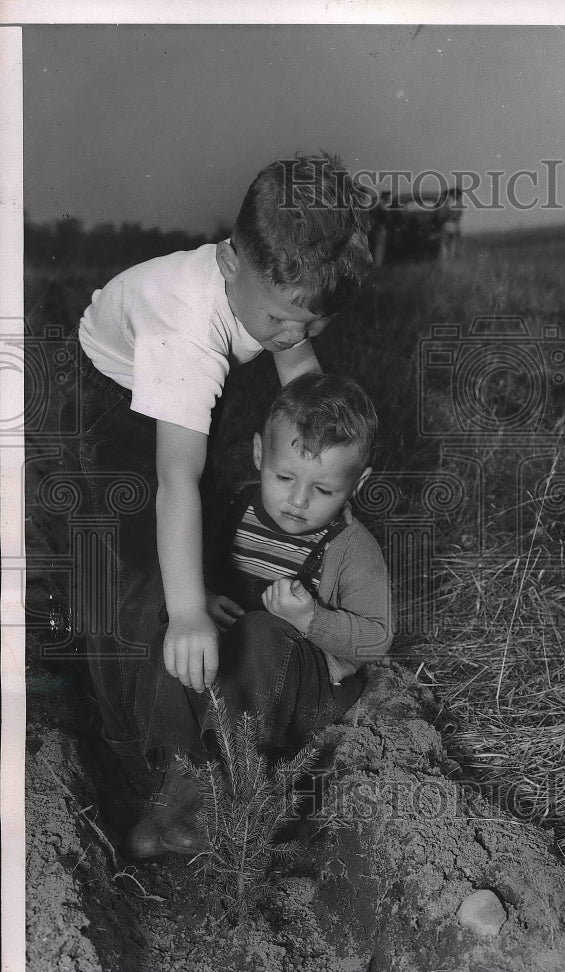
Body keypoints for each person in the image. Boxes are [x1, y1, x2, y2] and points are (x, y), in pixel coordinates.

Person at [59, 153, 373, 786]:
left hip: (160, 383)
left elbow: (303, 383)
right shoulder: (187, 333)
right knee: (132, 563)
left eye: (315, 318)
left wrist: (333, 462)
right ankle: (141, 747)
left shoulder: (267, 293)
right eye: (282, 319)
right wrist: (188, 612)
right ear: (231, 263)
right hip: (102, 403)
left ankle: (194, 611)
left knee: (194, 515)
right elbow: (176, 481)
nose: (296, 333)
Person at [127, 372, 394, 857]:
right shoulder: (234, 510)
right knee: (176, 635)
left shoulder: (353, 549)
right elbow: (189, 565)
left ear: (358, 484)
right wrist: (200, 596)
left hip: (298, 694)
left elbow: (376, 640)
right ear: (258, 455)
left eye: (324, 490)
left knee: (263, 631)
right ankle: (173, 790)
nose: (298, 501)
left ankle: (227, 795)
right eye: (285, 477)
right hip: (226, 667)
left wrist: (311, 619)